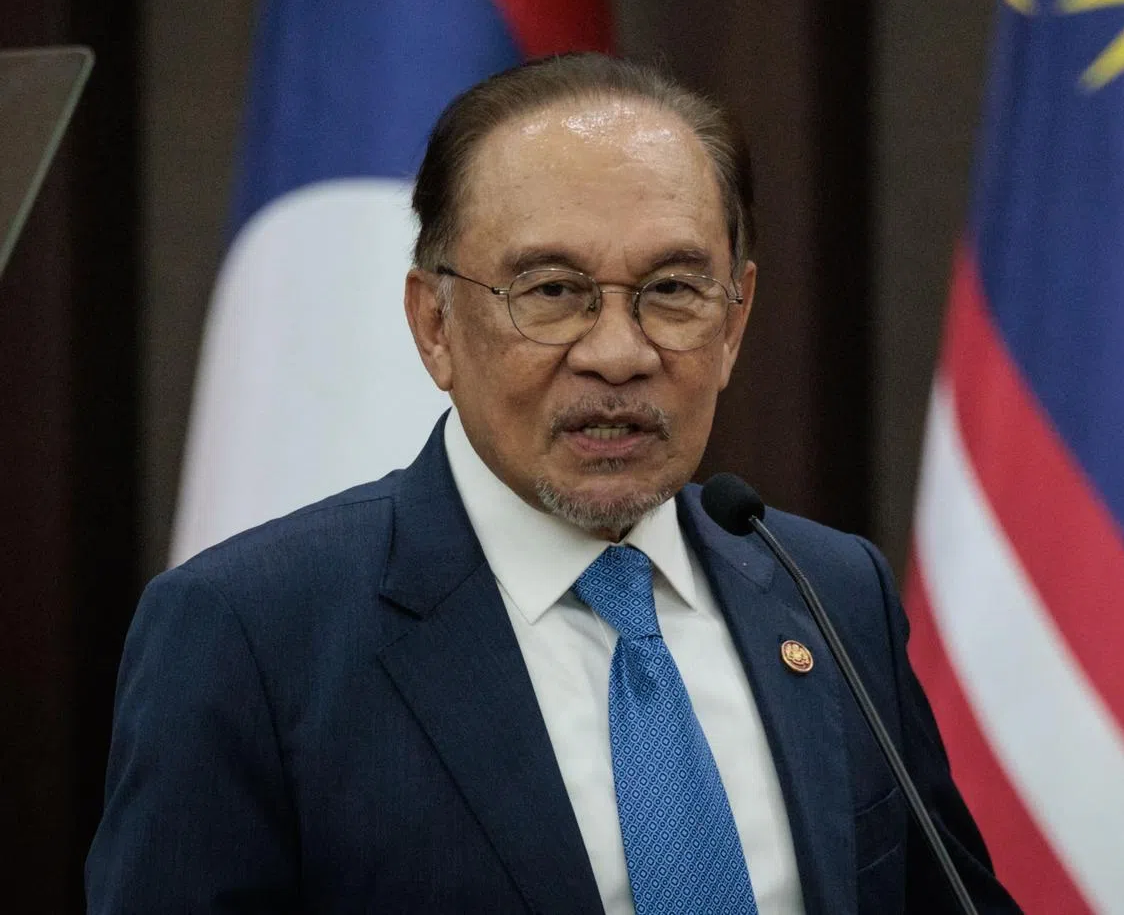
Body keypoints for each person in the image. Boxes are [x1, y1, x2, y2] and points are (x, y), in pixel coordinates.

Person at [87, 53, 1021, 914]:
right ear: (435, 325)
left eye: (673, 290)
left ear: (733, 323)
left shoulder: (829, 593)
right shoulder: (250, 635)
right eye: (551, 291)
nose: (619, 354)